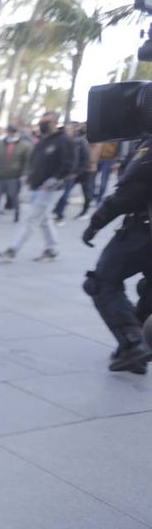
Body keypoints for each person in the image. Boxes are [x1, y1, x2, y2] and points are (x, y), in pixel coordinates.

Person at [81, 138, 152, 373]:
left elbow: (130, 193)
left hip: (143, 233)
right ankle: (137, 351)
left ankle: (133, 343)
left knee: (101, 282)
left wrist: (97, 221)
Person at [0, 111, 74, 263]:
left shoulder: (64, 141)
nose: (43, 124)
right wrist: (30, 177)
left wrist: (55, 179)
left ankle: (13, 249)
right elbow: (35, 161)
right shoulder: (43, 141)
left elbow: (69, 164)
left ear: (55, 123)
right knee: (44, 219)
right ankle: (52, 248)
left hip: (50, 188)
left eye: (47, 121)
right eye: (42, 120)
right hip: (36, 186)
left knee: (32, 219)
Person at [0, 125, 31, 222]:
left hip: (14, 175)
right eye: (9, 132)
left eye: (13, 132)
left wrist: (24, 173)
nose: (11, 134)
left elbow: (27, 161)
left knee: (13, 195)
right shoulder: (0, 144)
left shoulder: (24, 145)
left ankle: (16, 214)